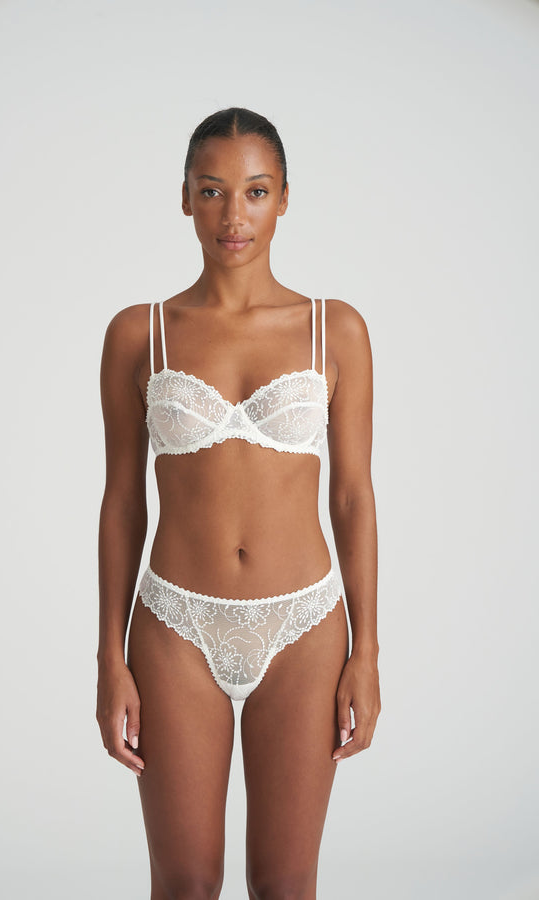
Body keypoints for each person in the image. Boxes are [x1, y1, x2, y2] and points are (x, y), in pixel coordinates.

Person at [96, 107, 381, 900]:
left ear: (285, 197)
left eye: (255, 191)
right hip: (174, 626)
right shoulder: (139, 334)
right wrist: (109, 659)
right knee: (186, 883)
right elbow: (121, 503)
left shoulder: (334, 330)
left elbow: (353, 497)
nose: (234, 215)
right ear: (185, 197)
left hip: (305, 628)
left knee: (285, 885)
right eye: (212, 190)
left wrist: (366, 653)